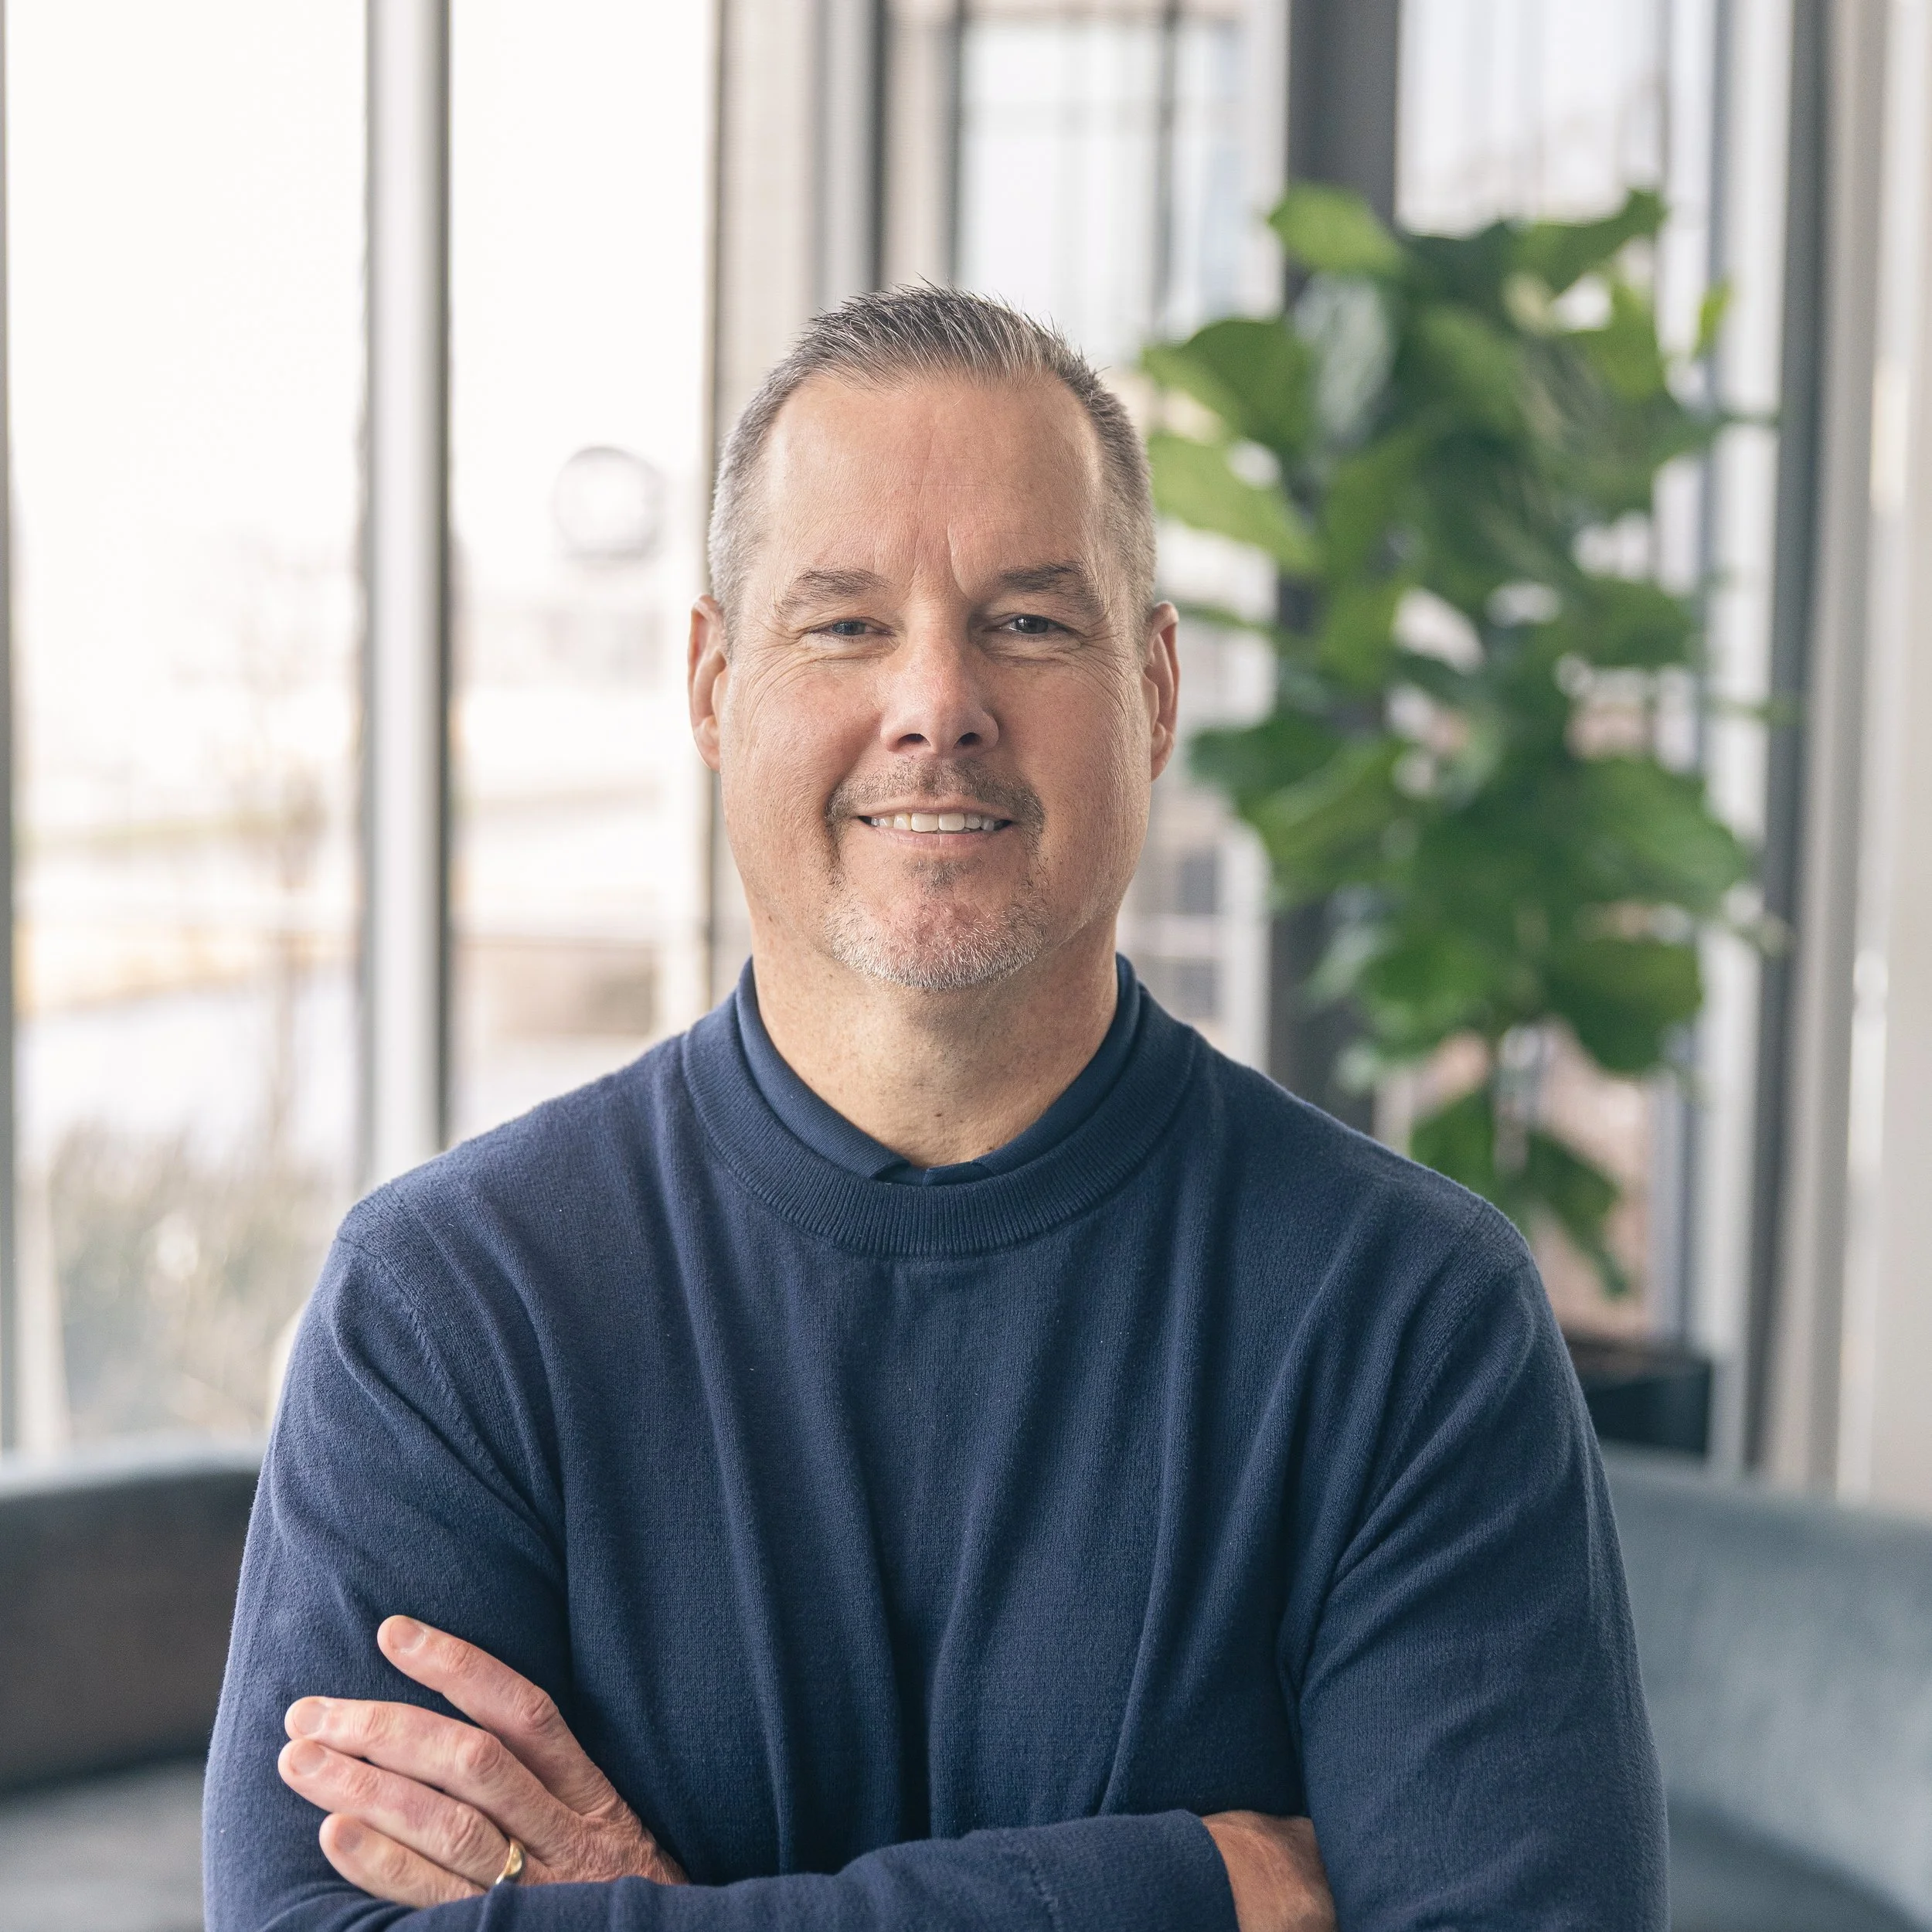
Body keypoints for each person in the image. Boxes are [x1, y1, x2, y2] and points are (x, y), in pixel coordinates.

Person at [203, 286, 1667, 1931]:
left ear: (1156, 687)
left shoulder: (1405, 1314)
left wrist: (632, 1906)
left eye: (1029, 622)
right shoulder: (451, 1303)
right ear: (709, 683)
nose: (935, 702)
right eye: (842, 622)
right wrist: (1175, 1888)